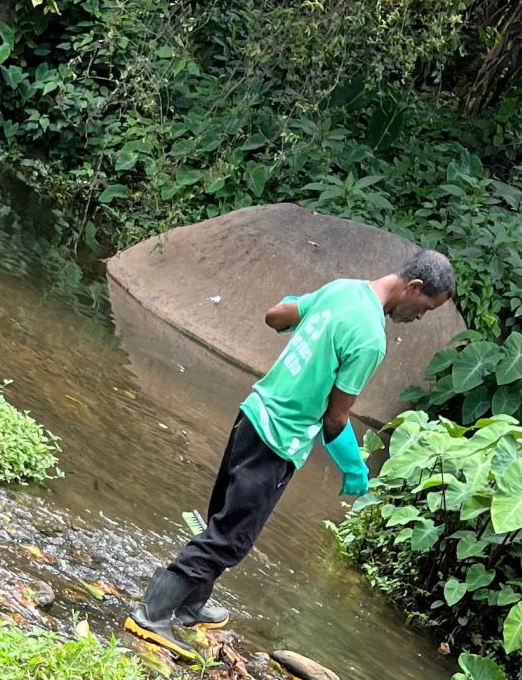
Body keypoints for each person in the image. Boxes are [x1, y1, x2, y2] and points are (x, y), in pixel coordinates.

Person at [128, 251, 456, 642]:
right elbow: (335, 418)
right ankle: (152, 613)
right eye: (426, 308)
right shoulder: (370, 338)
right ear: (414, 288)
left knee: (223, 520)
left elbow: (277, 315)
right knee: (231, 538)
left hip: (252, 415)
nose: (421, 318)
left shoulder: (344, 289)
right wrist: (355, 469)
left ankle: (190, 605)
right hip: (278, 440)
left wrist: (310, 329)